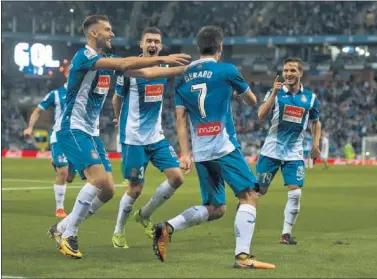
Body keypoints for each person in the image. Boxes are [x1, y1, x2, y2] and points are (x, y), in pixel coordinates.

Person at [47, 14, 191, 259]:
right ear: (94, 33)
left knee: (109, 190)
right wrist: (164, 57)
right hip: (72, 127)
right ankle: (69, 233)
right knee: (99, 180)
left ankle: (60, 227)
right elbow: (125, 65)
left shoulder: (106, 60)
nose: (112, 34)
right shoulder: (85, 57)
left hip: (90, 132)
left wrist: (186, 69)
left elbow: (145, 74)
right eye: (108, 29)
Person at [152, 25, 275, 269]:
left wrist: (185, 153)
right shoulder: (226, 69)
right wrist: (238, 93)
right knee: (249, 195)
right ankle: (242, 257)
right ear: (219, 48)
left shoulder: (183, 77)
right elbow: (252, 101)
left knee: (216, 208)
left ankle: (167, 227)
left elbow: (180, 119)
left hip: (202, 152)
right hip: (224, 147)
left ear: (198, 48)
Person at [111, 27, 184, 249]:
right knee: (135, 189)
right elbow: (116, 99)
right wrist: (117, 120)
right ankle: (118, 231)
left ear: (160, 47)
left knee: (177, 178)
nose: (152, 44)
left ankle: (144, 214)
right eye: (149, 41)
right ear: (141, 44)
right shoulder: (130, 70)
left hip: (156, 136)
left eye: (156, 42)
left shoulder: (162, 68)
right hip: (133, 138)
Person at [256, 58, 321, 245]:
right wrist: (274, 92)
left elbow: (316, 123)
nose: (288, 73)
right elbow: (260, 115)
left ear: (300, 73)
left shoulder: (310, 98)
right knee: (259, 191)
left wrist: (315, 145)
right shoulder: (274, 92)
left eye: (292, 70)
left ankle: (286, 234)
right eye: (285, 70)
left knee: (296, 193)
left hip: (294, 152)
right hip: (271, 150)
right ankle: (244, 215)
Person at [23, 81, 76, 218]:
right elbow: (38, 110)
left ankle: (56, 163)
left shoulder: (83, 91)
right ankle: (59, 208)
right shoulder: (56, 94)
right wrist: (30, 127)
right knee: (63, 173)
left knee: (70, 177)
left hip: (76, 137)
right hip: (59, 136)